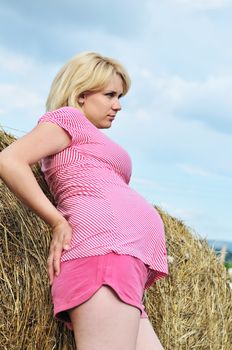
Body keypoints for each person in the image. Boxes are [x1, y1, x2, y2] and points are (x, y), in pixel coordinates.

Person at [0, 52, 168, 350]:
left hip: (121, 262)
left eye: (120, 96)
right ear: (80, 94)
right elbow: (9, 160)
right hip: (102, 257)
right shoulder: (68, 118)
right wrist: (56, 221)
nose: (118, 105)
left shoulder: (85, 134)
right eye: (110, 95)